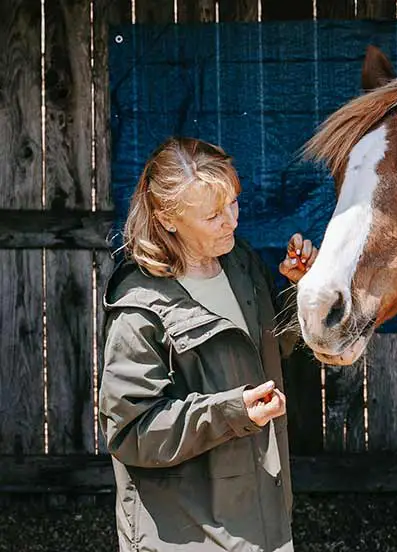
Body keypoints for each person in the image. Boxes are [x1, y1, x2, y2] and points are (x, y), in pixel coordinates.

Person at [99, 136, 318, 552]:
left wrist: (298, 291)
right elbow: (131, 431)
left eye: (233, 203)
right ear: (167, 218)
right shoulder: (139, 308)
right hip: (186, 536)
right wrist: (231, 411)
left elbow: (272, 350)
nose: (232, 221)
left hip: (262, 524)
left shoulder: (240, 263)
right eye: (213, 215)